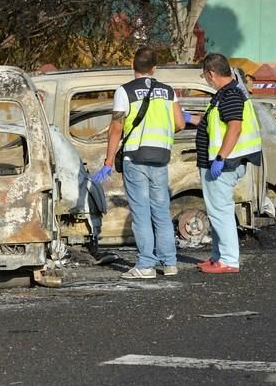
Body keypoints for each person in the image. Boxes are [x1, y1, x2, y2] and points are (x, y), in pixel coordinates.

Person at [92, 46, 186, 279]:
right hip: (161, 157)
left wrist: (108, 160)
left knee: (141, 212)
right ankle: (170, 263)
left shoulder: (124, 91)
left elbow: (116, 128)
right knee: (161, 210)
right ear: (154, 68)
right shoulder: (168, 91)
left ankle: (145, 266)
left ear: (132, 66)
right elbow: (180, 124)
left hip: (135, 156)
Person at [190, 53, 262, 273]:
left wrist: (220, 157)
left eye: (204, 75)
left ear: (211, 73)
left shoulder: (230, 94)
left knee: (220, 212)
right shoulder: (226, 94)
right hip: (222, 163)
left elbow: (234, 127)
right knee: (217, 211)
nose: (206, 80)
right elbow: (214, 124)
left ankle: (229, 261)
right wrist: (188, 118)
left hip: (224, 164)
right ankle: (217, 257)